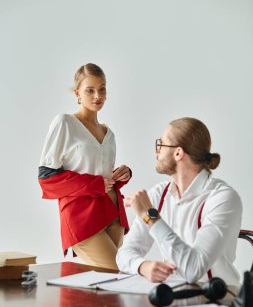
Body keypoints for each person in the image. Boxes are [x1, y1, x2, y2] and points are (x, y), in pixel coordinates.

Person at [116, 117, 242, 285]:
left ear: (178, 153)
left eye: (161, 144)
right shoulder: (159, 194)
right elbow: (124, 254)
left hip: (218, 299)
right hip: (174, 294)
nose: (156, 151)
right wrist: (142, 266)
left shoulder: (223, 199)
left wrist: (150, 215)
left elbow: (194, 270)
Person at [38, 63, 131, 270]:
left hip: (113, 211)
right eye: (90, 90)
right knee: (116, 271)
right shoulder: (65, 123)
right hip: (82, 216)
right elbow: (46, 178)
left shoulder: (109, 134)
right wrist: (94, 184)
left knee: (109, 286)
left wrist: (123, 175)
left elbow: (103, 176)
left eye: (102, 88)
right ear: (77, 92)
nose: (97, 95)